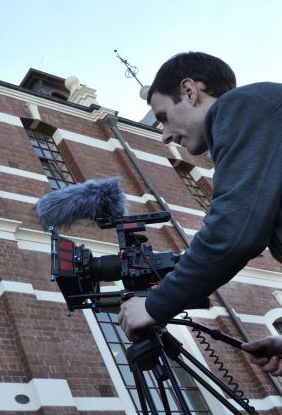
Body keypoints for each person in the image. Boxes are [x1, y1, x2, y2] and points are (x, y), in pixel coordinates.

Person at [117, 52, 282, 375]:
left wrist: (154, 304)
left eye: (163, 116)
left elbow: (232, 233)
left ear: (190, 91)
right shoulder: (261, 112)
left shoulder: (237, 107)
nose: (164, 134)